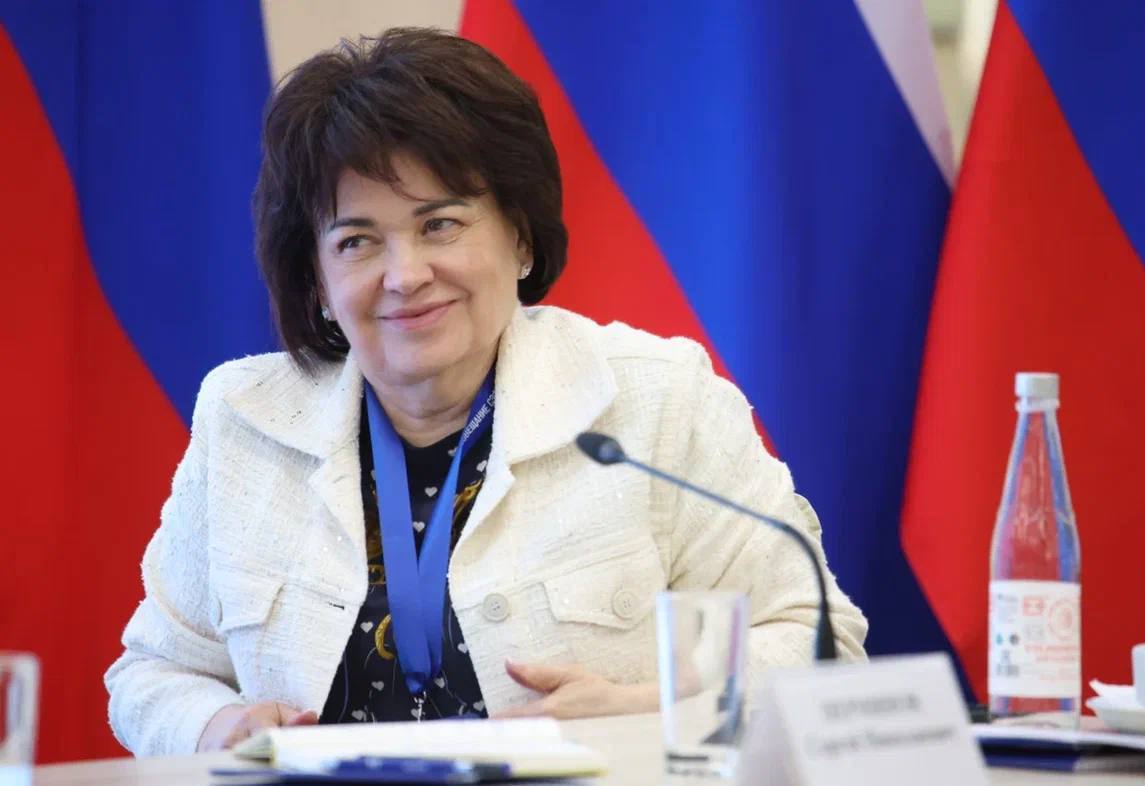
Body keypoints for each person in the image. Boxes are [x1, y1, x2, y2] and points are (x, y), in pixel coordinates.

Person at [104, 27, 868, 756]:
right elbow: (152, 673)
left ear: (520, 237)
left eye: (439, 225)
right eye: (357, 241)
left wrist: (650, 709)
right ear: (317, 282)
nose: (404, 275)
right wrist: (216, 726)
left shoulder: (652, 401)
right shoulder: (245, 419)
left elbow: (819, 642)